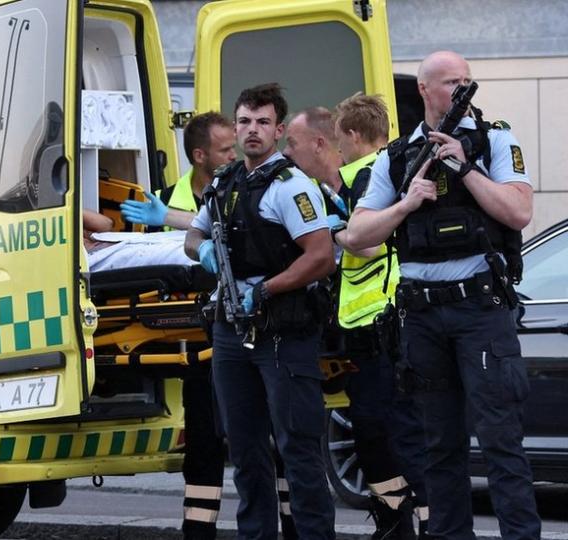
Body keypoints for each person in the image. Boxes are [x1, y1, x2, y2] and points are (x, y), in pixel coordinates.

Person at [346, 51, 541, 540]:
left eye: (466, 80)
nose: (461, 89)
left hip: (479, 309)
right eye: (450, 81)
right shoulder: (397, 155)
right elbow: (357, 235)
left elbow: (518, 213)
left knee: (501, 443)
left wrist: (464, 165)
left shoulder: (494, 138)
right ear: (424, 91)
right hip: (423, 316)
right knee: (439, 446)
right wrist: (407, 202)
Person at [184, 83, 336, 540]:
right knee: (245, 452)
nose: (252, 131)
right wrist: (204, 249)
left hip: (282, 332)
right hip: (232, 332)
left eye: (263, 123)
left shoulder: (291, 187)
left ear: (278, 130)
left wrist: (266, 289)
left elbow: (321, 256)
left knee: (298, 449)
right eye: (245, 122)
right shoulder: (225, 183)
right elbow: (191, 238)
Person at [285, 101, 429, 539]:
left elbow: (369, 245)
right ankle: (399, 522)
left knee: (386, 436)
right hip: (378, 325)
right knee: (378, 436)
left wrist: (335, 233)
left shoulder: (366, 176)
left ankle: (405, 524)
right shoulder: (388, 169)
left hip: (379, 326)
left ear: (348, 136)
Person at [119, 111, 236, 540]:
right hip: (188, 338)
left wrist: (168, 217)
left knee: (267, 441)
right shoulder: (162, 200)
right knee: (204, 441)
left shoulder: (237, 188)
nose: (234, 155)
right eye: (225, 149)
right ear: (199, 155)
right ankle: (197, 531)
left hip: (238, 331)